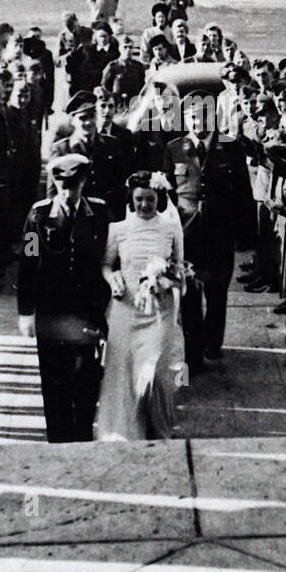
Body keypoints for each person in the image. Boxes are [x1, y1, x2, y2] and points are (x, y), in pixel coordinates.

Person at [17, 152, 110, 442]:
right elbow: (27, 263)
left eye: (75, 185)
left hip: (87, 310)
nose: (69, 192)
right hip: (51, 312)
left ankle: (82, 436)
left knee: (87, 380)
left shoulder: (99, 214)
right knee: (54, 381)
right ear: (55, 183)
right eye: (63, 185)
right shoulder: (39, 215)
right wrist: (25, 312)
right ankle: (58, 441)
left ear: (84, 182)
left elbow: (110, 259)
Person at [93, 170, 187, 441]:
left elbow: (181, 271)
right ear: (131, 199)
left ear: (160, 198)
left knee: (154, 373)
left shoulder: (171, 229)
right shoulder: (119, 229)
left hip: (160, 312)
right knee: (124, 374)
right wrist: (113, 278)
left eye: (150, 199)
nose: (144, 205)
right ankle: (128, 431)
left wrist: (167, 282)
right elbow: (106, 264)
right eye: (139, 200)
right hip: (126, 309)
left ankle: (157, 427)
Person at [166, 91, 256, 369]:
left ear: (213, 117)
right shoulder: (174, 148)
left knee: (217, 292)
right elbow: (167, 196)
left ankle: (212, 343)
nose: (197, 122)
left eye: (202, 116)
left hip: (221, 231)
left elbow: (244, 193)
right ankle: (193, 353)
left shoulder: (231, 147)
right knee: (189, 295)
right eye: (192, 116)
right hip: (187, 233)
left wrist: (247, 236)